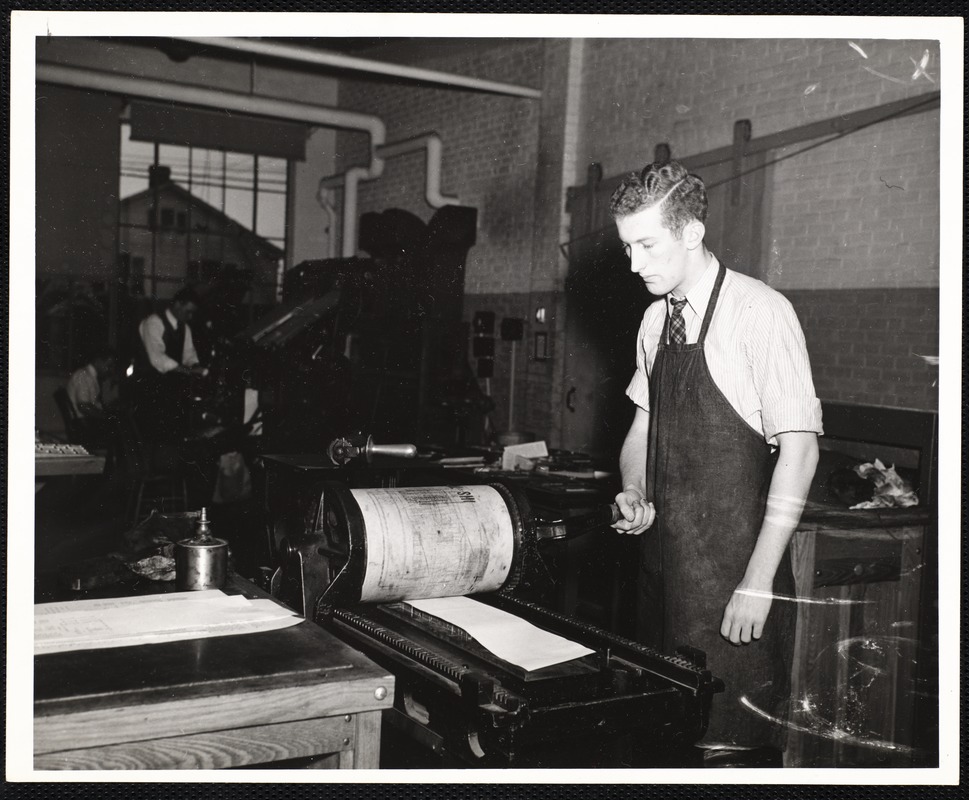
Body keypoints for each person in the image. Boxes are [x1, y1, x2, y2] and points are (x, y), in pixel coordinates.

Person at [609, 160, 822, 766]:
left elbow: (800, 451)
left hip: (734, 583)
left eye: (647, 245)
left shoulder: (761, 312)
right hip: (663, 577)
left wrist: (757, 582)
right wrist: (633, 488)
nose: (634, 265)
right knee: (660, 742)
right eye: (627, 248)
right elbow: (642, 426)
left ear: (692, 233)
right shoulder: (656, 320)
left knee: (729, 749)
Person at [129, 285, 207, 441]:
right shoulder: (154, 322)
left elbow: (189, 354)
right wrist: (187, 371)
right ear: (178, 304)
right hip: (147, 390)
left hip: (170, 393)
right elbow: (157, 358)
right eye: (188, 312)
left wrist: (196, 367)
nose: (190, 317)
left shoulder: (185, 328)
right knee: (149, 438)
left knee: (172, 436)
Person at [66, 349, 117, 420]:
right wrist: (105, 417)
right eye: (109, 366)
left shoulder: (91, 377)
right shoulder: (83, 375)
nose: (110, 370)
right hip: (82, 421)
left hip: (87, 420)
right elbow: (83, 406)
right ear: (97, 361)